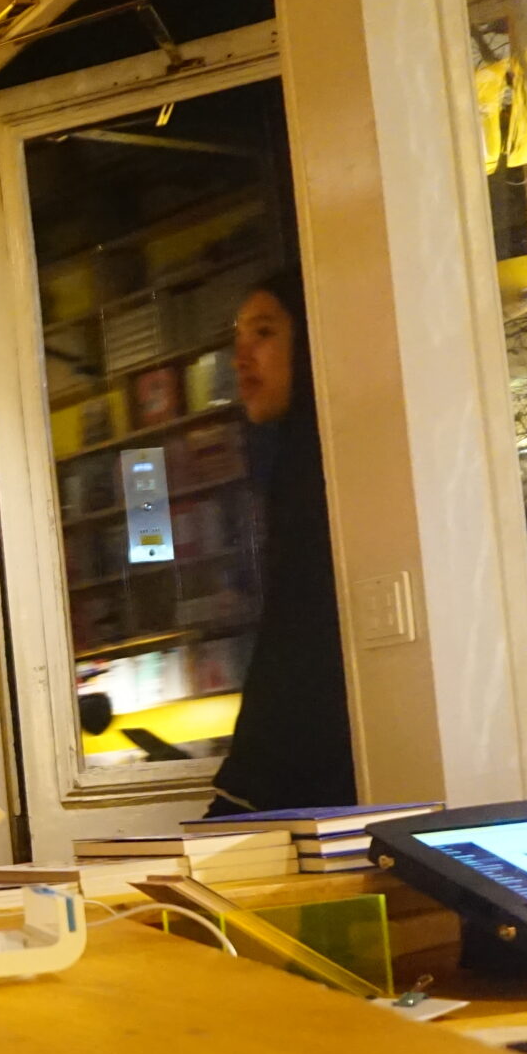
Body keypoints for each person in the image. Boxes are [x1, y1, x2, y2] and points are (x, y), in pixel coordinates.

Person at [208, 271, 357, 814]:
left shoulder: (332, 467)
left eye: (265, 333)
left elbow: (303, 635)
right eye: (238, 338)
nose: (240, 357)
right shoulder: (293, 463)